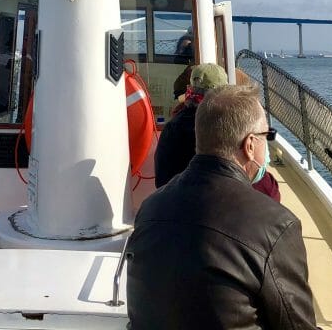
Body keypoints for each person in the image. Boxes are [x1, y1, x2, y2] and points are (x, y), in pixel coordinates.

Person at [127, 84, 317, 330]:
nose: (266, 146)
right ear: (250, 145)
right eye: (265, 137)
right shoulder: (276, 225)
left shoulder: (150, 208)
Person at [154, 63, 280, 201]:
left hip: (173, 200)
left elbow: (162, 178)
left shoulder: (171, 126)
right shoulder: (221, 128)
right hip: (215, 201)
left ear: (190, 90)